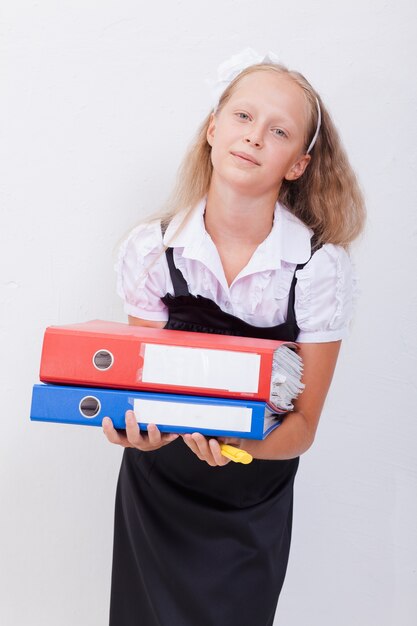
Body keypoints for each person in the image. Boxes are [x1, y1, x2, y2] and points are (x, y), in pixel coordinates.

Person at [102, 49, 365, 626]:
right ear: (212, 130)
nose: (253, 137)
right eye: (243, 117)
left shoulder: (317, 270)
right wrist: (134, 431)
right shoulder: (154, 251)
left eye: (278, 131)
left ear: (297, 163)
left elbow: (301, 428)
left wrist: (237, 446)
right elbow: (140, 390)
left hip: (252, 499)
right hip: (158, 490)